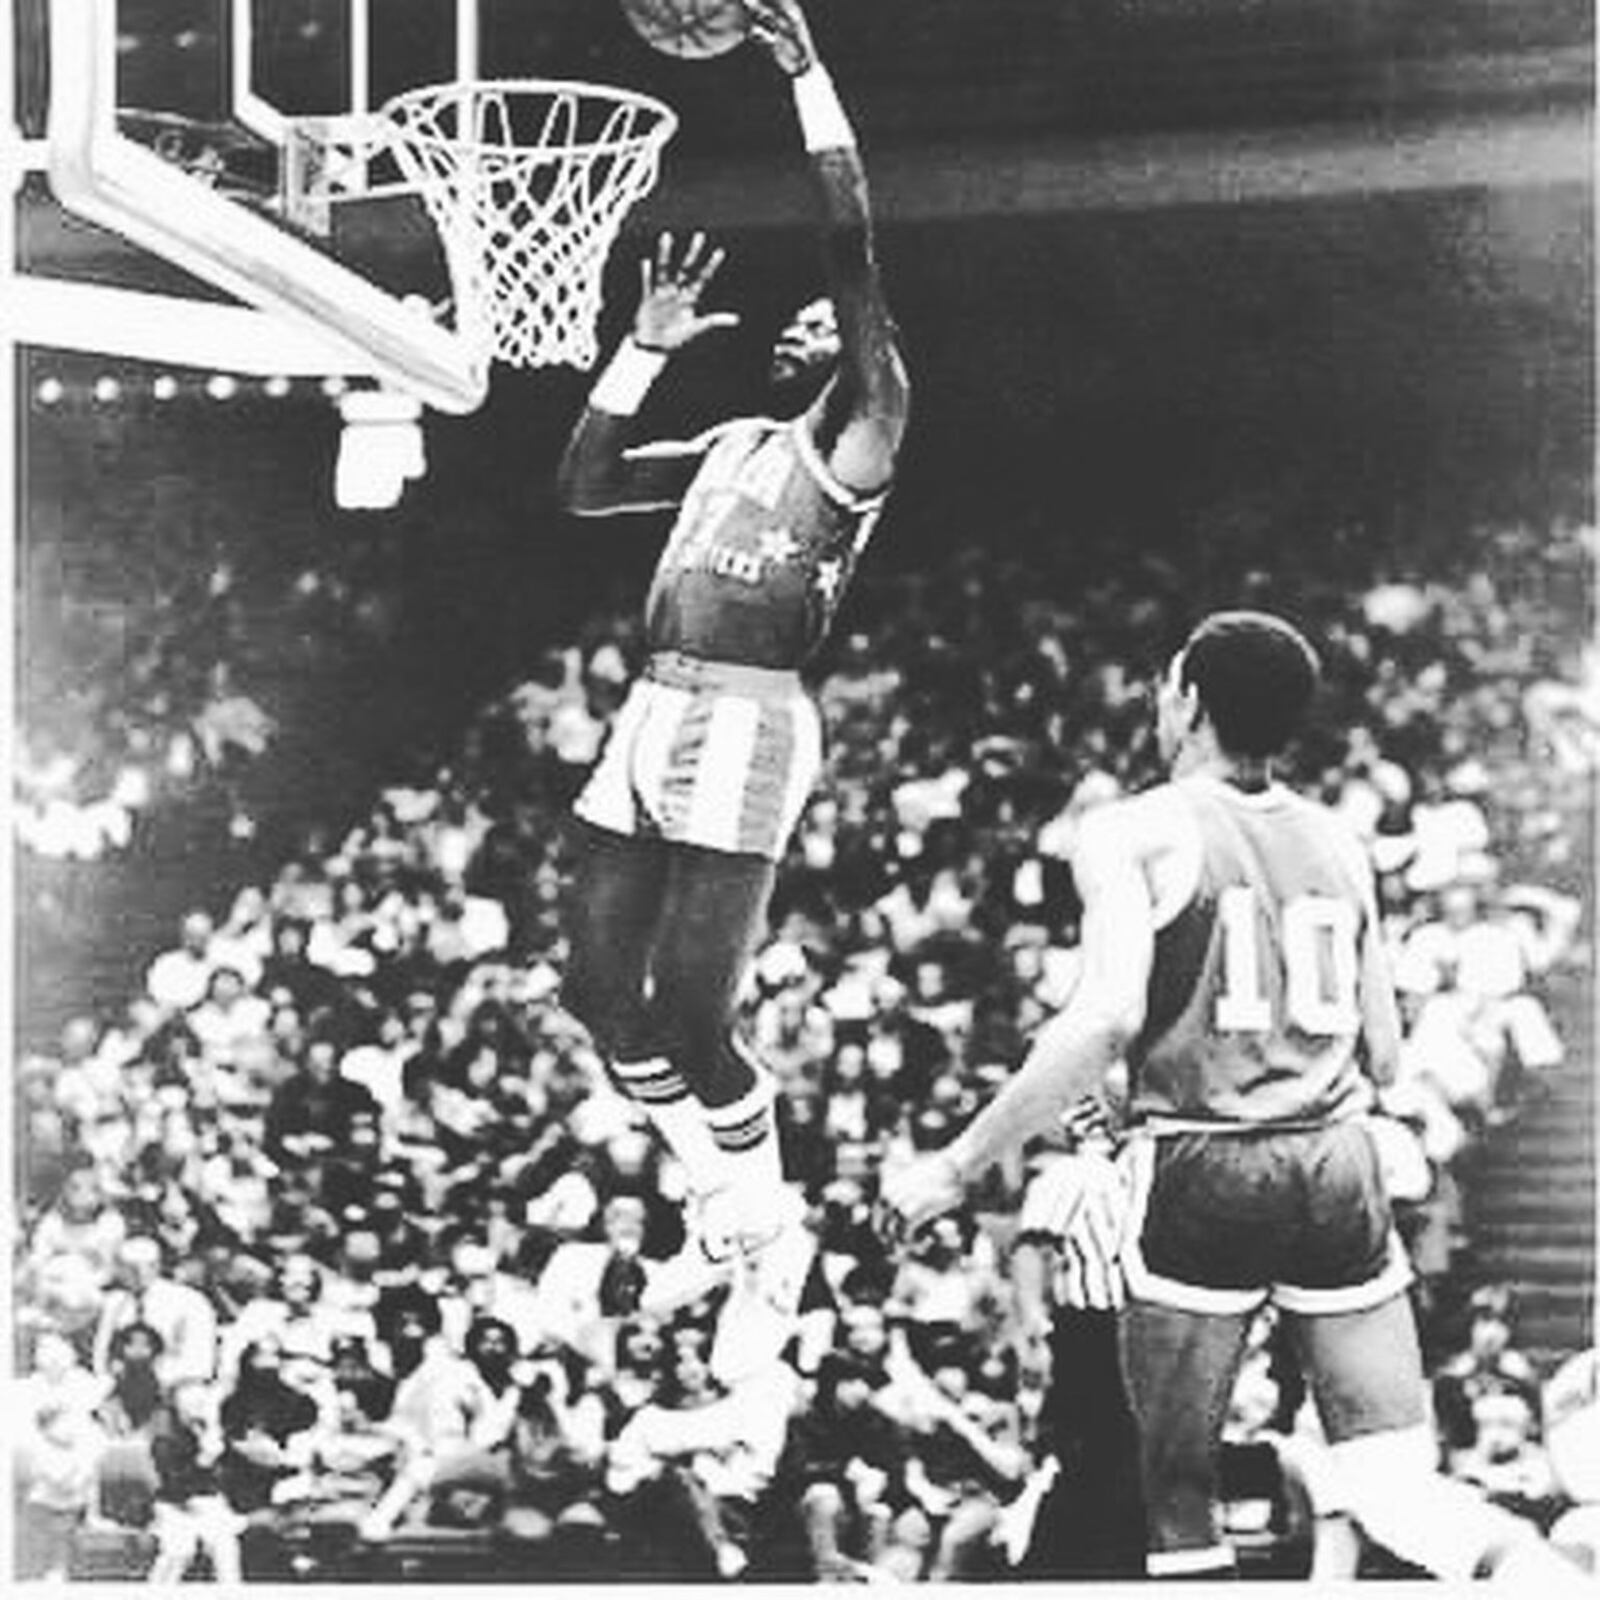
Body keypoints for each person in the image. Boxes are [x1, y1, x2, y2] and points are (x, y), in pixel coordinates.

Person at [881, 610, 1583, 1586]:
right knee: (1390, 1480)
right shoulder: (1340, 838)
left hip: (1204, 1164)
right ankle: (1539, 1579)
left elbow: (1103, 1020)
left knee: (1174, 1491)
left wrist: (955, 1163)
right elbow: (1381, 1051)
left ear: (1189, 702)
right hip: (1337, 1157)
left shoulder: (1131, 829)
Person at [554, 0, 910, 1339]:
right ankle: (732, 1206)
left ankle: (764, 1217)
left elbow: (856, 252)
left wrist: (809, 75)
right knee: (596, 990)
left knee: (692, 1014)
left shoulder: (864, 438)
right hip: (653, 704)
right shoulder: (730, 444)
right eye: (801, 325)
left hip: (754, 720)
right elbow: (582, 488)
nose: (801, 330)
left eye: (826, 327)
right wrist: (640, 350)